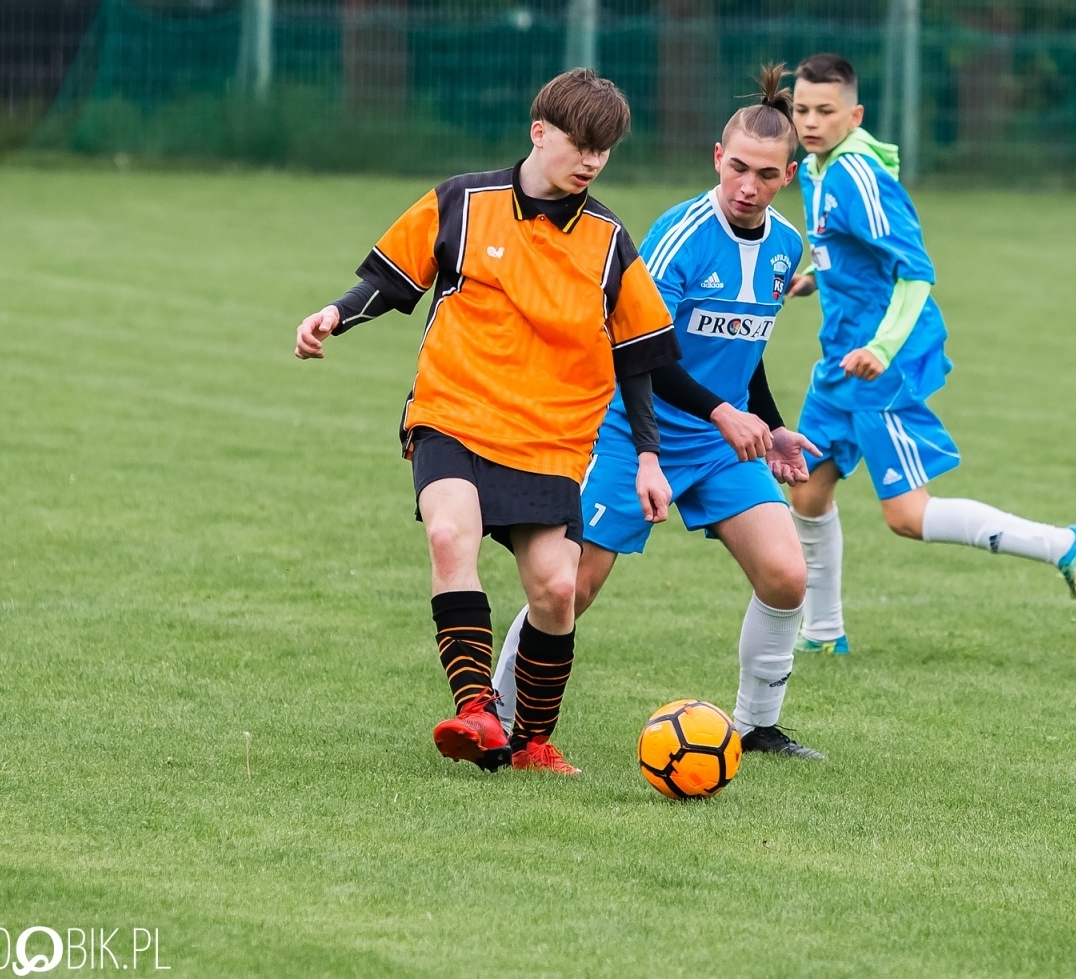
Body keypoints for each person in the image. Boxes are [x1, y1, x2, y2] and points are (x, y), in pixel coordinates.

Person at [294, 69, 680, 775]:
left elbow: (638, 355)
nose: (592, 161)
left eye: (605, 150)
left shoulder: (607, 240)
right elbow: (391, 279)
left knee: (558, 588)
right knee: (449, 534)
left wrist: (649, 457)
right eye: (580, 144)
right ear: (541, 132)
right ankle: (476, 712)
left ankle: (531, 741)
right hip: (455, 411)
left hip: (551, 437)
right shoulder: (463, 202)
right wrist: (335, 314)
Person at [491, 65, 827, 760]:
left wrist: (767, 420)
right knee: (572, 589)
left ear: (786, 176)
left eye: (766, 175)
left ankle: (756, 725)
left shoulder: (785, 246)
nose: (747, 186)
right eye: (738, 168)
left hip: (715, 444)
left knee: (787, 576)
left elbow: (748, 348)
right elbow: (639, 350)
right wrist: (721, 413)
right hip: (629, 431)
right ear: (717, 158)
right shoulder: (681, 234)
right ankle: (494, 716)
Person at [784, 53, 1076, 652]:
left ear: (853, 115)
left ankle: (1065, 544)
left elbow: (916, 271)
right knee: (807, 489)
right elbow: (847, 254)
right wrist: (809, 278)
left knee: (906, 516)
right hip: (839, 360)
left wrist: (881, 347)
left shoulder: (859, 176)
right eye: (801, 109)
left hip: (881, 362)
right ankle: (824, 633)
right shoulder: (814, 169)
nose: (810, 121)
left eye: (825, 111)